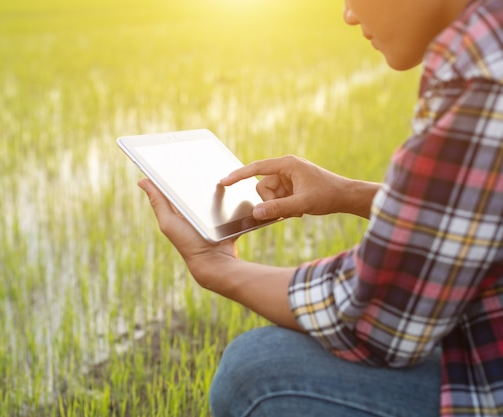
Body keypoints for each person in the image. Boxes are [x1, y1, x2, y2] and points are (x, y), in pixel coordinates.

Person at [137, 0, 503, 415]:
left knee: (258, 373)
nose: (348, 14)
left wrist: (217, 268)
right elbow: (480, 218)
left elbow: (380, 319)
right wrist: (348, 193)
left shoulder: (483, 72)